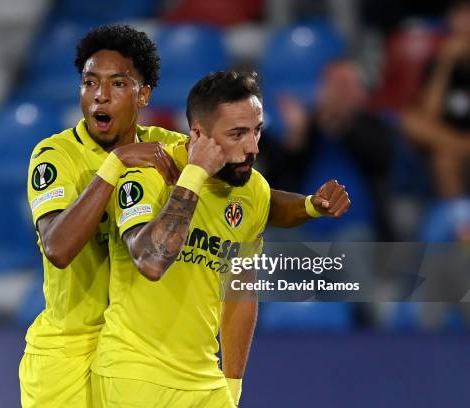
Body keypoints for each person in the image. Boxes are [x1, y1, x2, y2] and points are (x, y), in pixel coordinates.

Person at [91, 71, 350, 407]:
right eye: (237, 134)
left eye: (257, 131)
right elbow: (152, 261)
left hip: (205, 381)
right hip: (134, 377)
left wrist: (232, 384)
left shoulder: (253, 190)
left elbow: (240, 293)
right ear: (198, 134)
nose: (252, 148)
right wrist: (195, 173)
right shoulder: (147, 174)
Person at [19, 25, 185, 407]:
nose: (100, 96)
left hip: (138, 358)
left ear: (143, 94)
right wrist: (115, 165)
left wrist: (309, 204)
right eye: (89, 83)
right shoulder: (54, 155)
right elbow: (58, 248)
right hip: (67, 358)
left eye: (117, 84)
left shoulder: (166, 148)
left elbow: (239, 177)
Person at [261, 60, 394, 240]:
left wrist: (339, 124)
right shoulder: (308, 128)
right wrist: (296, 137)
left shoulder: (373, 126)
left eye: (345, 86)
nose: (338, 94)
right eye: (332, 85)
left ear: (361, 92)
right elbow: (277, 178)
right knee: (268, 242)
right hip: (304, 230)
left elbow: (380, 161)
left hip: (355, 229)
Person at [402, 0, 470, 197]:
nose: (464, 22)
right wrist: (445, 64)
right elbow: (429, 114)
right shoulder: (440, 61)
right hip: (449, 136)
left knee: (445, 156)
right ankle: (458, 219)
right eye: (459, 14)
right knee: (410, 121)